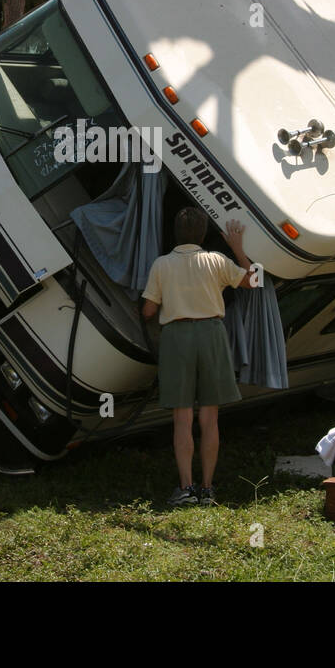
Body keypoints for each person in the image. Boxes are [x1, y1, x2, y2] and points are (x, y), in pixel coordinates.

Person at [141, 207, 255, 506]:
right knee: (209, 417)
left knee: (181, 417)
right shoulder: (216, 260)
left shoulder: (161, 264)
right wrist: (237, 248)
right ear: (203, 234)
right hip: (212, 335)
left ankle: (186, 488)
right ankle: (207, 489)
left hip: (177, 337)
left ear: (175, 233)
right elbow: (252, 282)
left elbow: (149, 311)